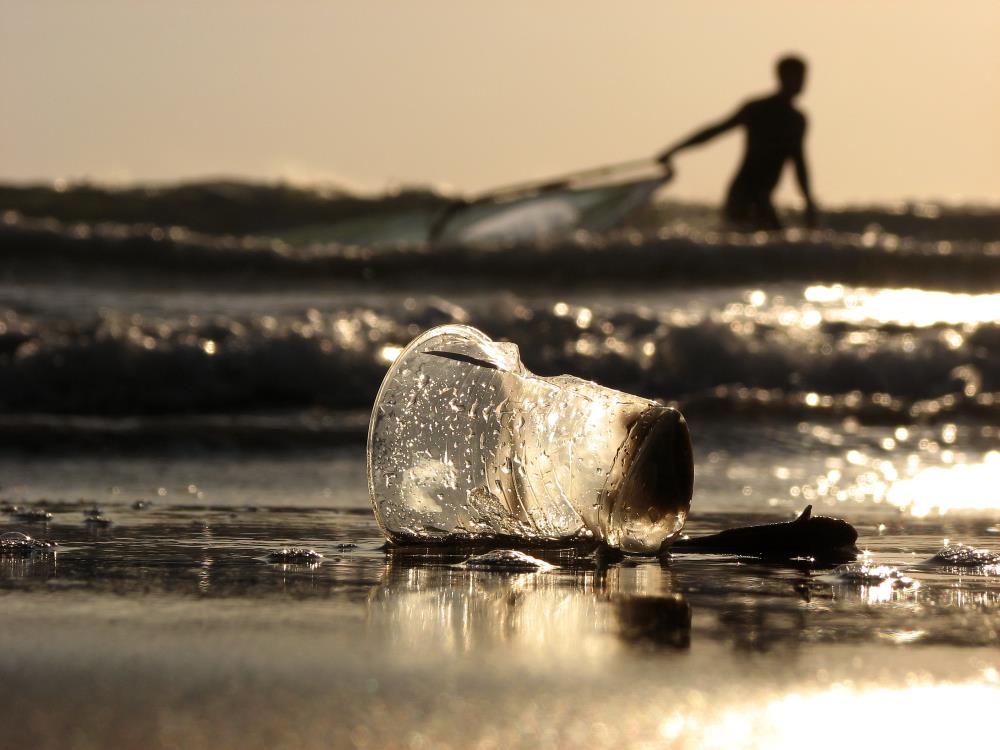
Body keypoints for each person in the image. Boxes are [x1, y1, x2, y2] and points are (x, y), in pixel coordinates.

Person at [658, 55, 817, 230]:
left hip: (763, 196)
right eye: (798, 76)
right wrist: (674, 150)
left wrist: (808, 201)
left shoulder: (797, 119)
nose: (802, 82)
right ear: (782, 77)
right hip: (743, 193)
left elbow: (799, 162)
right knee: (767, 244)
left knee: (774, 246)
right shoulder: (758, 109)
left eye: (803, 76)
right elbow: (714, 131)